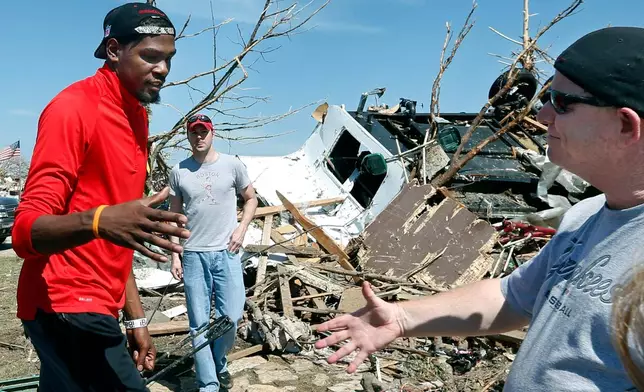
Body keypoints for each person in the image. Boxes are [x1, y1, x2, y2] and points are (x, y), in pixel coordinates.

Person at [315, 26, 644, 391]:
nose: (544, 114)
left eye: (562, 102)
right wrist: (402, 316)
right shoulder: (587, 215)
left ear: (626, 125)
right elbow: (513, 297)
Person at [11, 3, 189, 391]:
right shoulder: (73, 109)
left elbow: (120, 232)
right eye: (150, 56)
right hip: (64, 302)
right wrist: (97, 220)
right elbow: (26, 232)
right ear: (113, 51)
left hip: (99, 306)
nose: (162, 69)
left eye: (168, 59)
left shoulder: (136, 116)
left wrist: (136, 319)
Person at [169, 113, 258, 392]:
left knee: (230, 316)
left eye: (203, 132)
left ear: (212, 132)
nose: (199, 137)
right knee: (198, 323)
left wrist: (241, 229)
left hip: (227, 252)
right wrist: (175, 254)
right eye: (194, 132)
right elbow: (174, 216)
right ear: (188, 135)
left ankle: (218, 361)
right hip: (193, 254)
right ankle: (208, 383)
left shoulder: (232, 165)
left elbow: (251, 199)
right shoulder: (179, 171)